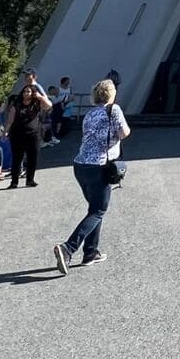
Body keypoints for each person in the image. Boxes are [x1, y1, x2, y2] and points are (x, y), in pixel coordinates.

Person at [53, 79, 131, 274]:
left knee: (94, 209)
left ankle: (90, 252)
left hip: (80, 165)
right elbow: (124, 133)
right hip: (99, 166)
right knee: (98, 210)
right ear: (111, 94)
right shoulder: (114, 109)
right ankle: (68, 248)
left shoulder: (89, 113)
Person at [6, 82, 51, 188]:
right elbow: (10, 121)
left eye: (29, 91)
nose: (26, 94)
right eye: (25, 91)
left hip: (33, 135)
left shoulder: (36, 104)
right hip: (17, 135)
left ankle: (30, 180)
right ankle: (14, 182)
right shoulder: (16, 105)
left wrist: (40, 97)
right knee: (17, 159)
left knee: (32, 158)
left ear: (32, 93)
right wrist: (6, 132)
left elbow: (49, 106)